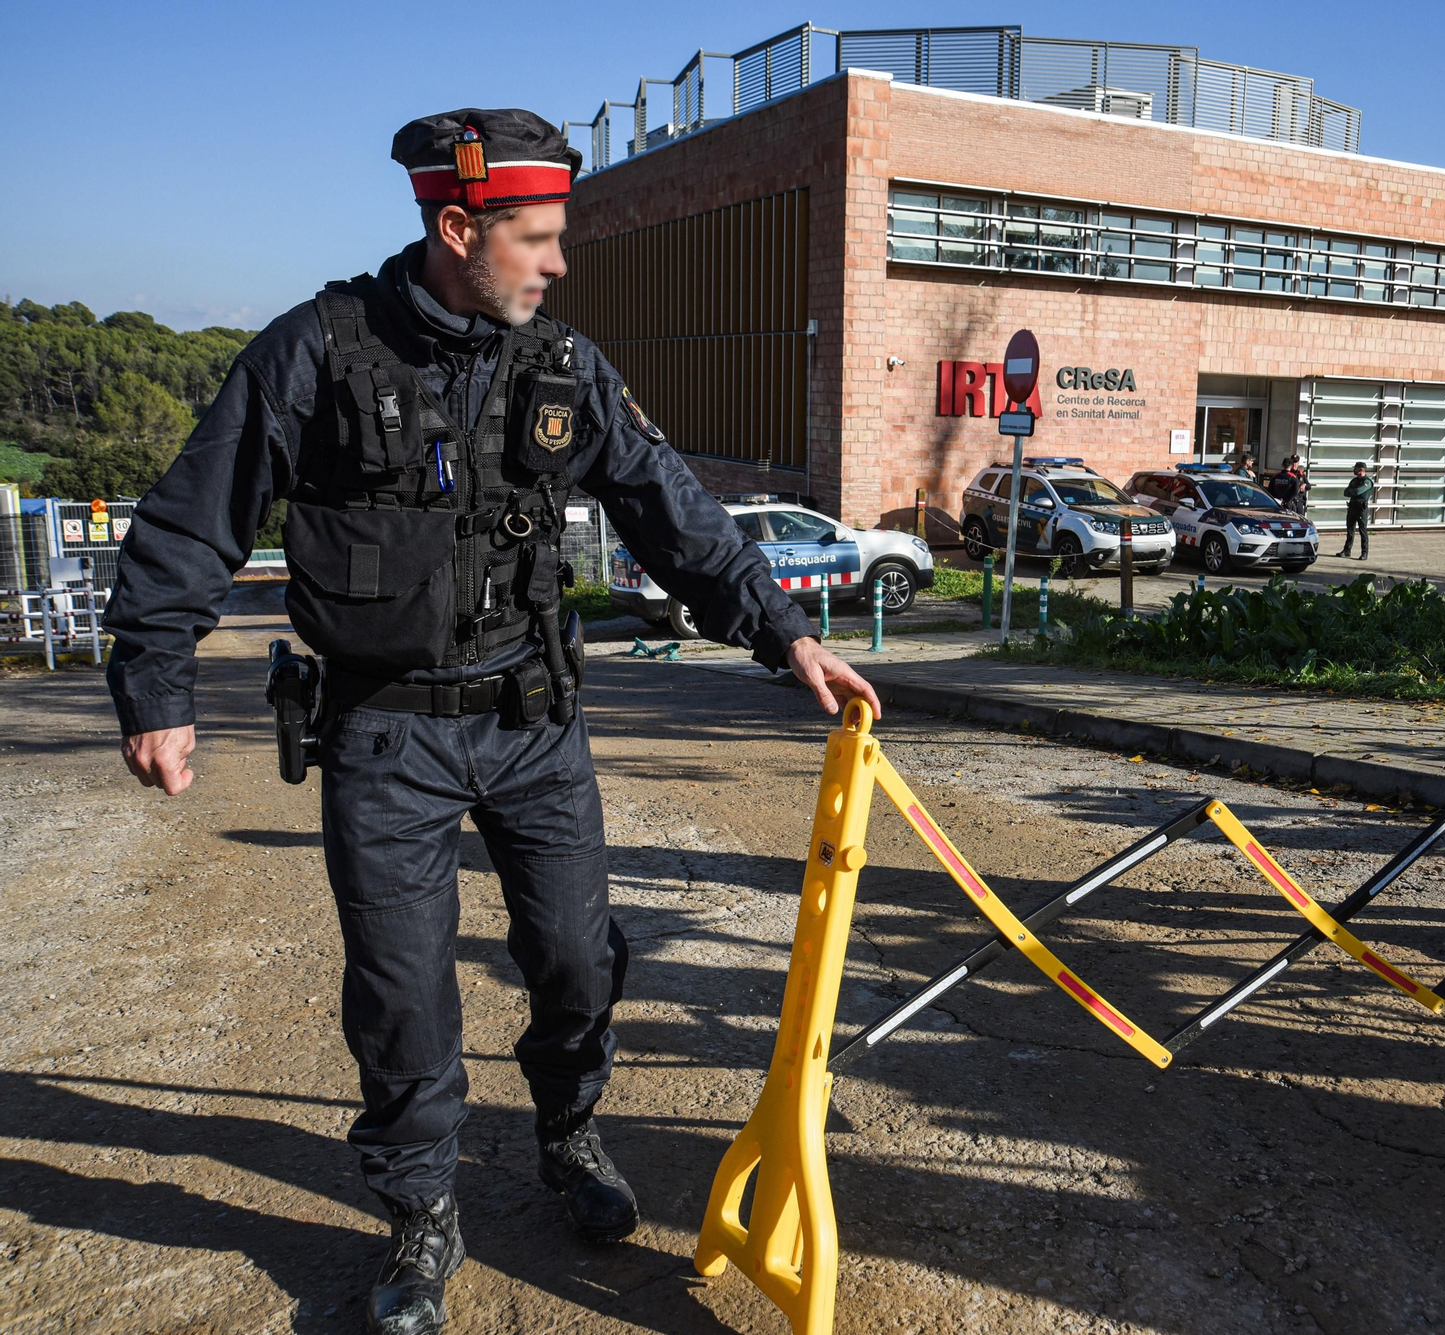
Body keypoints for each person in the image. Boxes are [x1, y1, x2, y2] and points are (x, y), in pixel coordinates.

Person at [103, 109, 880, 1335]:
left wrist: (783, 632)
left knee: (575, 959)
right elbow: (195, 518)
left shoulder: (562, 364)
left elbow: (670, 508)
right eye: (538, 239)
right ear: (458, 228)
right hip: (382, 735)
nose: (559, 264)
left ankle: (568, 1133)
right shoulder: (315, 352)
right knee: (404, 992)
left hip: (533, 724)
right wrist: (158, 686)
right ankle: (421, 1210)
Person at [1338, 462, 1373, 558]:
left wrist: (1353, 491)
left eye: (1356, 468)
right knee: (1350, 530)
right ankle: (1347, 551)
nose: (1354, 470)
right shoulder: (1354, 481)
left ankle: (1364, 552)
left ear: (1361, 469)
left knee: (1362, 530)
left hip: (1361, 508)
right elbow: (1345, 492)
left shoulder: (1367, 482)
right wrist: (1353, 491)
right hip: (1352, 507)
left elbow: (1358, 491)